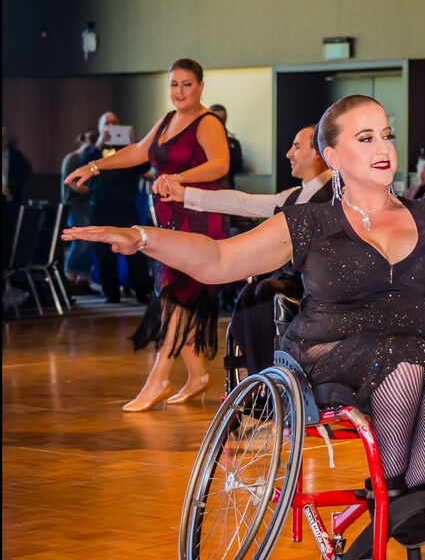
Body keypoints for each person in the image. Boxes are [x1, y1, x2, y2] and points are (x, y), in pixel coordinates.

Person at [63, 94, 425, 547]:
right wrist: (141, 238)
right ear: (333, 156)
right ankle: (406, 501)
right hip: (329, 352)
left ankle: (402, 498)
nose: (383, 146)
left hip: (420, 347)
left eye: (386, 134)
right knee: (403, 361)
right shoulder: (309, 223)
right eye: (365, 138)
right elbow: (217, 260)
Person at [65, 59, 230, 411]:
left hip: (199, 220)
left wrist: (178, 178)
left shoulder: (207, 123)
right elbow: (139, 151)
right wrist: (93, 166)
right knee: (172, 296)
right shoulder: (168, 120)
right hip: (170, 219)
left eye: (187, 84)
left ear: (200, 87)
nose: (179, 91)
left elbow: (220, 164)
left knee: (176, 295)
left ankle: (159, 378)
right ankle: (198, 376)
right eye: (174, 84)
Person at [157, 124, 333, 373]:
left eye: (296, 146)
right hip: (292, 279)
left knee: (264, 291)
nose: (289, 153)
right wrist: (185, 195)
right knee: (254, 293)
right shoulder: (294, 196)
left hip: (322, 285)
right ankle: (259, 373)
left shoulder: (338, 194)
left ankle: (265, 372)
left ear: (317, 153)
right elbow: (243, 202)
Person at [81, 113, 153, 305]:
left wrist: (133, 143)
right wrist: (99, 143)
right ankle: (111, 293)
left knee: (135, 248)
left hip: (125, 206)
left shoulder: (129, 150)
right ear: (100, 127)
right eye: (107, 123)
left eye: (114, 123)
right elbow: (85, 163)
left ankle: (142, 291)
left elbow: (144, 166)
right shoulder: (93, 150)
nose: (111, 126)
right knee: (104, 252)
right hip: (101, 207)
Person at [60, 131, 98, 294]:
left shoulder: (88, 161)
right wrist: (95, 190)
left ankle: (83, 280)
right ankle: (69, 278)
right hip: (76, 206)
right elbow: (73, 184)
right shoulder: (73, 159)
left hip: (89, 207)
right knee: (80, 243)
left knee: (89, 244)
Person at [207, 104, 244, 188]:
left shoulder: (233, 143)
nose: (219, 122)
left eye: (222, 119)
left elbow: (238, 167)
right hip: (204, 187)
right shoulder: (199, 142)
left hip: (226, 186)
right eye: (215, 119)